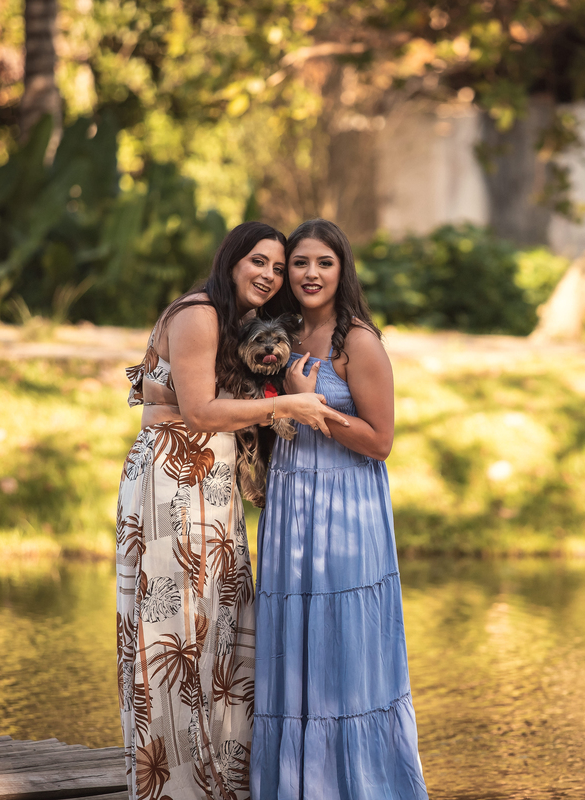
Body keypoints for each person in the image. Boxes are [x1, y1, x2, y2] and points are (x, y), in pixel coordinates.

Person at [116, 221, 351, 800]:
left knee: (221, 628)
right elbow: (198, 411)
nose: (271, 276)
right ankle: (172, 787)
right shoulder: (199, 312)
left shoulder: (238, 321)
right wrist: (291, 404)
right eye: (260, 263)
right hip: (173, 475)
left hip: (212, 480)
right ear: (231, 261)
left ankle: (219, 783)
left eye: (278, 268)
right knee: (172, 631)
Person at [250, 219, 429, 800]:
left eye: (322, 263)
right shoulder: (277, 336)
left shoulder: (359, 342)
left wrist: (313, 408)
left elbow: (380, 441)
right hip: (290, 502)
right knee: (290, 639)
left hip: (346, 506)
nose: (308, 274)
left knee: (344, 643)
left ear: (341, 270)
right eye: (297, 263)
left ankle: (360, 785)